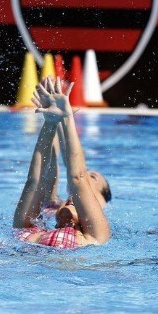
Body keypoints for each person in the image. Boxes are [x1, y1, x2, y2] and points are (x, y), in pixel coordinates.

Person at [13, 77, 111, 248]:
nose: (70, 199)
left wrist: (67, 119)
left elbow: (77, 177)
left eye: (93, 177)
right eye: (68, 200)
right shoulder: (31, 231)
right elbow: (34, 182)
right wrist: (50, 123)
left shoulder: (95, 237)